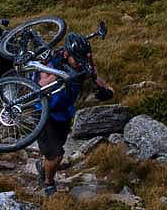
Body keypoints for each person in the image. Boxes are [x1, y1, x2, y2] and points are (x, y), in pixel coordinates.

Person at [35, 32, 114, 196]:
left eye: (82, 60)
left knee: (55, 151)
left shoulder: (82, 64)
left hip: (64, 114)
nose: (80, 64)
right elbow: (41, 83)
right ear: (66, 54)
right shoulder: (52, 60)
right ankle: (48, 182)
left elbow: (96, 77)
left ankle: (43, 166)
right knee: (56, 155)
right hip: (44, 113)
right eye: (77, 60)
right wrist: (62, 76)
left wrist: (106, 90)